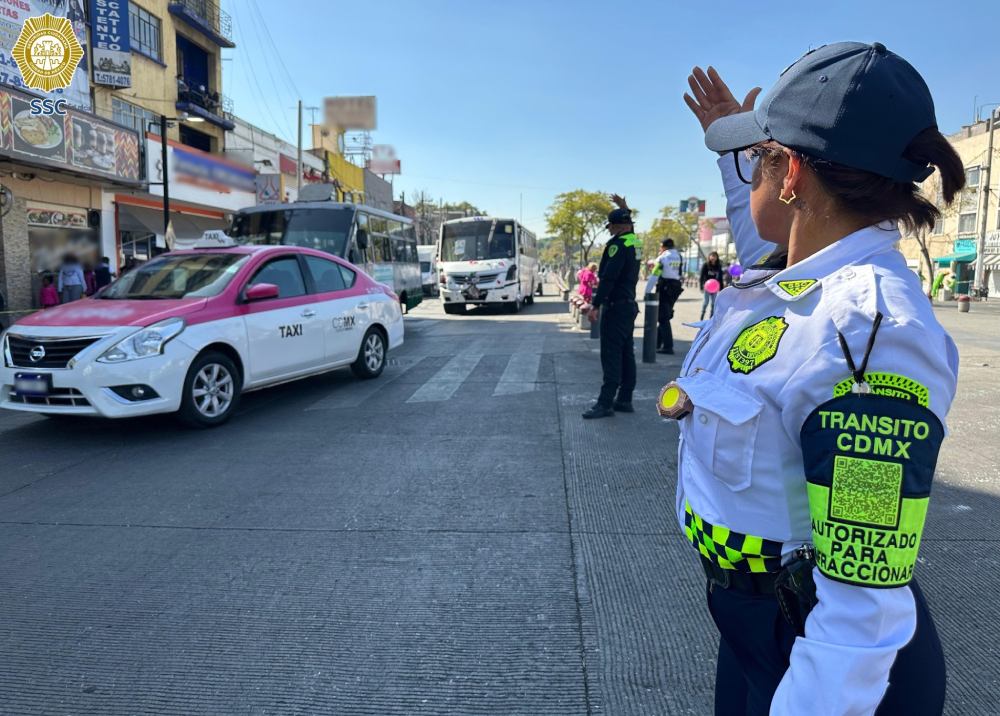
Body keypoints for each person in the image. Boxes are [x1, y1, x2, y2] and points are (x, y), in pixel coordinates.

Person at [673, 43, 961, 715]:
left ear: (793, 173)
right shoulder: (807, 275)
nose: (750, 183)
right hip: (756, 626)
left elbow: (863, 599)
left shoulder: (867, 334)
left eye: (759, 161)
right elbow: (765, 232)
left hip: (822, 658)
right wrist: (732, 153)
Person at [582, 194, 641, 419]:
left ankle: (605, 403)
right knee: (627, 353)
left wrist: (595, 304)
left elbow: (609, 278)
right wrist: (624, 207)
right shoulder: (634, 241)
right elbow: (631, 226)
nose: (609, 230)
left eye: (610, 226)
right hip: (628, 307)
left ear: (617, 226)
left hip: (616, 307)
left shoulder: (617, 245)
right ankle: (625, 398)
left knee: (611, 355)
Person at [655, 238, 684, 354]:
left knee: (663, 317)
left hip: (665, 287)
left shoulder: (663, 257)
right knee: (665, 314)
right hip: (675, 287)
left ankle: (668, 346)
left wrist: (648, 290)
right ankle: (656, 342)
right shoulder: (679, 255)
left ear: (664, 246)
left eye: (661, 246)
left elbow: (655, 274)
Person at [699, 251, 725, 319]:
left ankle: (711, 317)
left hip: (715, 288)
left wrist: (721, 288)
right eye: (712, 256)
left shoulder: (718, 266)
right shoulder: (705, 265)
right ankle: (702, 314)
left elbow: (720, 278)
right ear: (709, 257)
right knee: (706, 302)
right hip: (707, 287)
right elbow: (701, 276)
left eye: (715, 256)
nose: (713, 257)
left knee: (714, 303)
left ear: (717, 258)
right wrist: (701, 286)